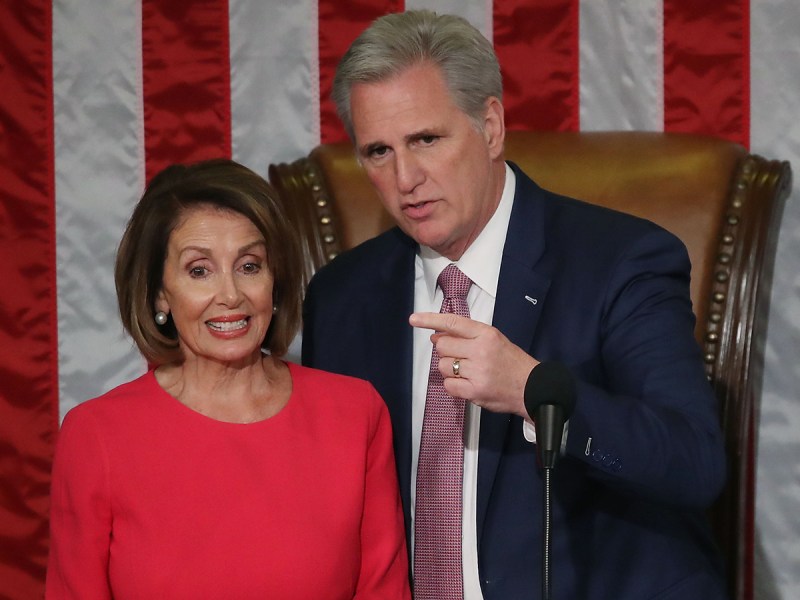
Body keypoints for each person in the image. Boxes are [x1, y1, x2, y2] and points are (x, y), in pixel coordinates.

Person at [302, 9, 728, 600]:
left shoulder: (619, 262)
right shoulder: (341, 297)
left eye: (426, 139)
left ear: (492, 126)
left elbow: (693, 462)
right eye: (378, 151)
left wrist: (533, 390)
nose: (405, 178)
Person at [46, 159, 411, 599]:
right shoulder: (97, 435)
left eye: (250, 265)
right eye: (199, 270)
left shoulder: (355, 415)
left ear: (274, 280)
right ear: (159, 291)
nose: (231, 295)